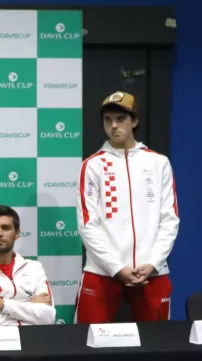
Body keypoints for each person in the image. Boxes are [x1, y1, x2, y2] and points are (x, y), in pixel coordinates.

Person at [75, 91, 179, 323]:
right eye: (108, 119)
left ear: (135, 121)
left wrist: (152, 263)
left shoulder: (158, 163)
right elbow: (87, 225)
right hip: (102, 272)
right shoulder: (92, 166)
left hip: (152, 272)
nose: (114, 125)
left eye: (121, 119)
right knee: (85, 347)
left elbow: (169, 219)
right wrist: (116, 267)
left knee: (158, 346)